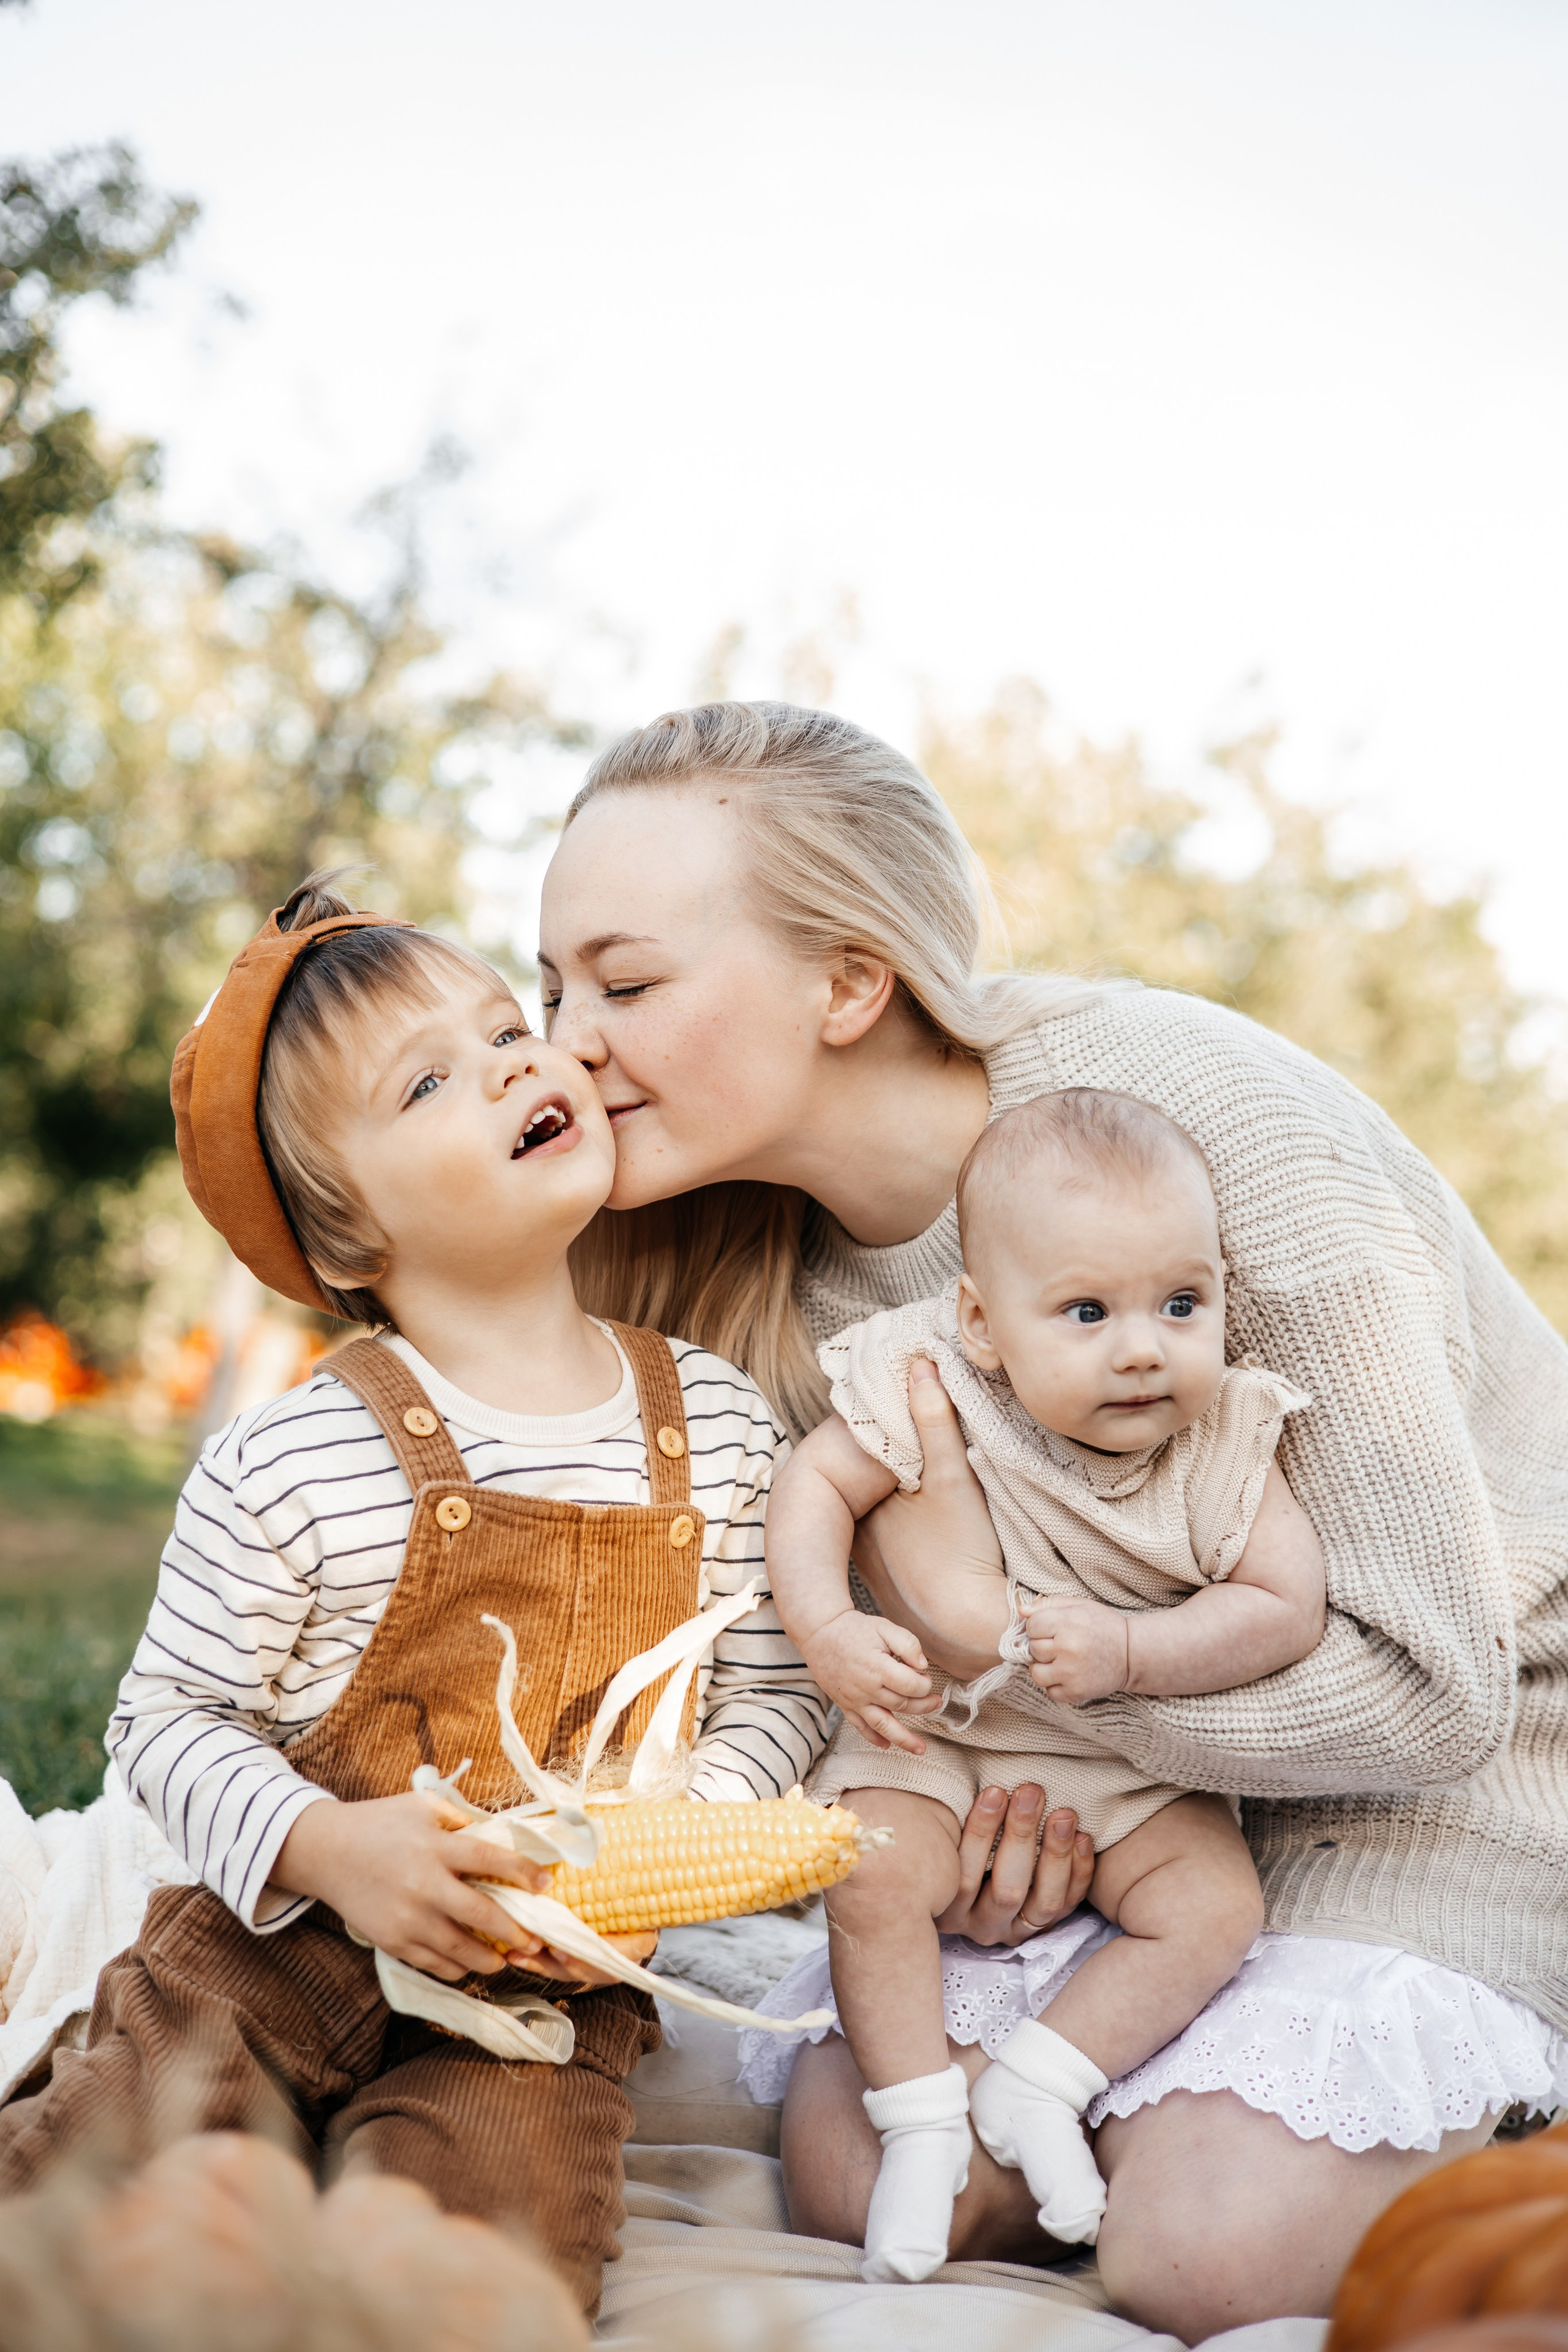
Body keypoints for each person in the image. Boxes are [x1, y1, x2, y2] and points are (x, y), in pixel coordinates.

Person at [538, 699, 1568, 2340]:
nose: (567, 1040)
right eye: (552, 988)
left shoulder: (1202, 1129)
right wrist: (959, 1816)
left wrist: (1033, 1731)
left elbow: (1436, 1686)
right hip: (1117, 1804)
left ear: (850, 982)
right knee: (853, 2166)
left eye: (628, 982)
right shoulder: (768, 1274)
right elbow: (827, 1674)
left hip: (1459, 1775)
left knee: (1204, 2250)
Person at [0, 875, 825, 2315]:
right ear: (346, 1246)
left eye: (509, 1025)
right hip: (270, 1953)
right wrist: (328, 1847)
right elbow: (165, 1721)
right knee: (93, 2200)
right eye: (430, 1078)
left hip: (535, 1991)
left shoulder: (712, 1420)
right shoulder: (294, 1457)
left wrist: (668, 1834)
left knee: (482, 2269)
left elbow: (774, 1685)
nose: (516, 1060)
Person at [766, 1087, 1325, 2279]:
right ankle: (918, 2119)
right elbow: (812, 1486)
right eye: (1085, 1311)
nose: (1141, 1346)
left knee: (1211, 1906)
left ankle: (1041, 2079)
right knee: (867, 1868)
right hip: (944, 1738)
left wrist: (1135, 1654)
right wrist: (823, 1625)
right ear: (981, 1322)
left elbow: (1285, 1604)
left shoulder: (1223, 1436)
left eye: (1182, 1303)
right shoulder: (935, 1384)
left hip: (1117, 1764)